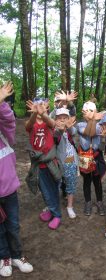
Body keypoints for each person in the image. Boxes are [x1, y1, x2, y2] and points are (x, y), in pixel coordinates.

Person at [0, 82, 33, 277]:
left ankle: (17, 255)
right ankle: (3, 256)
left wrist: (2, 101)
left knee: (12, 225)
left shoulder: (5, 133)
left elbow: (8, 119)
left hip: (9, 190)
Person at [25, 98, 62, 230]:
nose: (40, 107)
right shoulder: (32, 124)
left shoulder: (49, 123)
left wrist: (43, 114)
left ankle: (56, 215)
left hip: (50, 164)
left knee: (52, 190)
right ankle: (51, 210)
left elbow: (52, 123)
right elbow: (28, 126)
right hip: (37, 165)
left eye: (43, 105)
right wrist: (35, 113)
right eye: (37, 105)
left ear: (47, 107)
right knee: (45, 191)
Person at [76, 101, 106, 216]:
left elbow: (100, 144)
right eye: (86, 111)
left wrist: (103, 139)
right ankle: (87, 202)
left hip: (96, 156)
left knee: (97, 181)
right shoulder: (80, 125)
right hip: (84, 157)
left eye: (91, 111)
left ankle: (99, 202)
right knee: (87, 181)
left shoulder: (100, 126)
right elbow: (90, 133)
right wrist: (93, 119)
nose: (88, 114)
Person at [49, 90, 78, 200]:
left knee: (68, 171)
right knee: (58, 175)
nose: (60, 103)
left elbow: (72, 112)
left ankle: (66, 192)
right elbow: (53, 118)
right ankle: (59, 193)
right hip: (55, 153)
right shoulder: (52, 115)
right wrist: (62, 103)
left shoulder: (68, 120)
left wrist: (68, 102)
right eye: (57, 101)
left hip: (68, 155)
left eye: (61, 101)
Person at [54, 108, 78, 219]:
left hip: (71, 161)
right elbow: (54, 137)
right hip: (58, 162)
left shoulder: (70, 129)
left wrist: (67, 127)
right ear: (55, 119)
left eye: (65, 118)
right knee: (56, 183)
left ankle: (70, 206)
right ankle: (53, 204)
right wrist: (59, 129)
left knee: (70, 183)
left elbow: (73, 132)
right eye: (60, 118)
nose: (62, 120)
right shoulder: (54, 131)